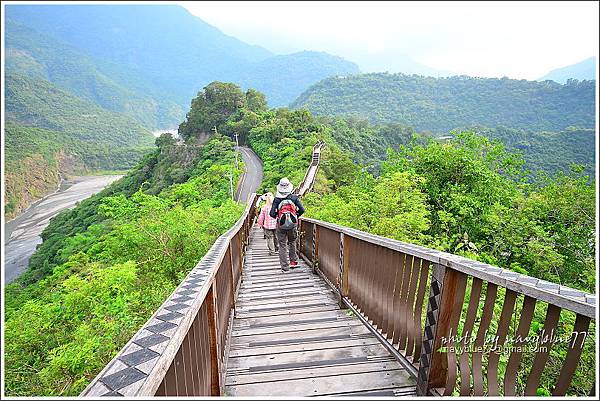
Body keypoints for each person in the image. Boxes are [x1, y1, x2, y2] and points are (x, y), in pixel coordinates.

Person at [269, 177, 305, 272]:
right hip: (292, 225)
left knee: (282, 245)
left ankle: (285, 267)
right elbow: (302, 210)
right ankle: (293, 262)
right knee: (292, 242)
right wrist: (295, 216)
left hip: (281, 225)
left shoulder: (277, 199)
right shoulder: (294, 198)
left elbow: (271, 214)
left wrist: (279, 216)